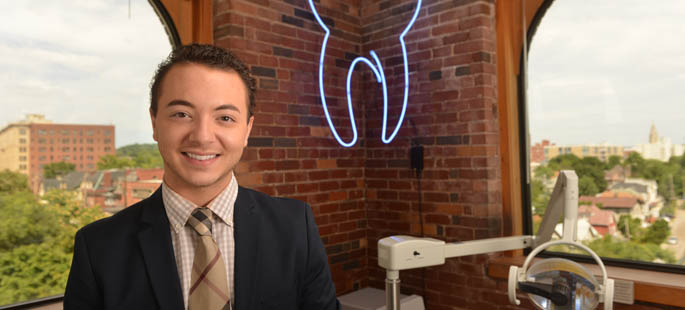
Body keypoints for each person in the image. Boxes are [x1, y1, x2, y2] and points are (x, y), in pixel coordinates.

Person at [64, 44, 339, 310]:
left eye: (225, 118)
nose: (202, 136)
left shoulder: (294, 227)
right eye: (182, 114)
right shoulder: (98, 248)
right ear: (154, 123)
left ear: (247, 130)